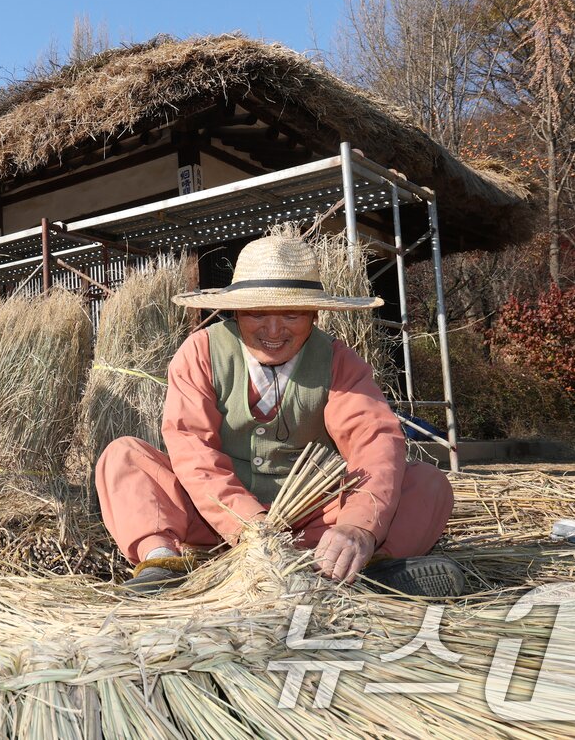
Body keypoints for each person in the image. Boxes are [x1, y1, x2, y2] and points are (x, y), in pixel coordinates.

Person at [95, 231, 463, 596]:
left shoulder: (338, 361)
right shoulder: (202, 353)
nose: (273, 331)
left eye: (291, 314)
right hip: (215, 522)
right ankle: (164, 566)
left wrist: (358, 527)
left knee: (428, 484)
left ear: (315, 315)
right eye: (257, 314)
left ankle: (365, 567)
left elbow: (374, 441)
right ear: (236, 311)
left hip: (313, 523)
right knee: (123, 457)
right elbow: (193, 450)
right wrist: (251, 528)